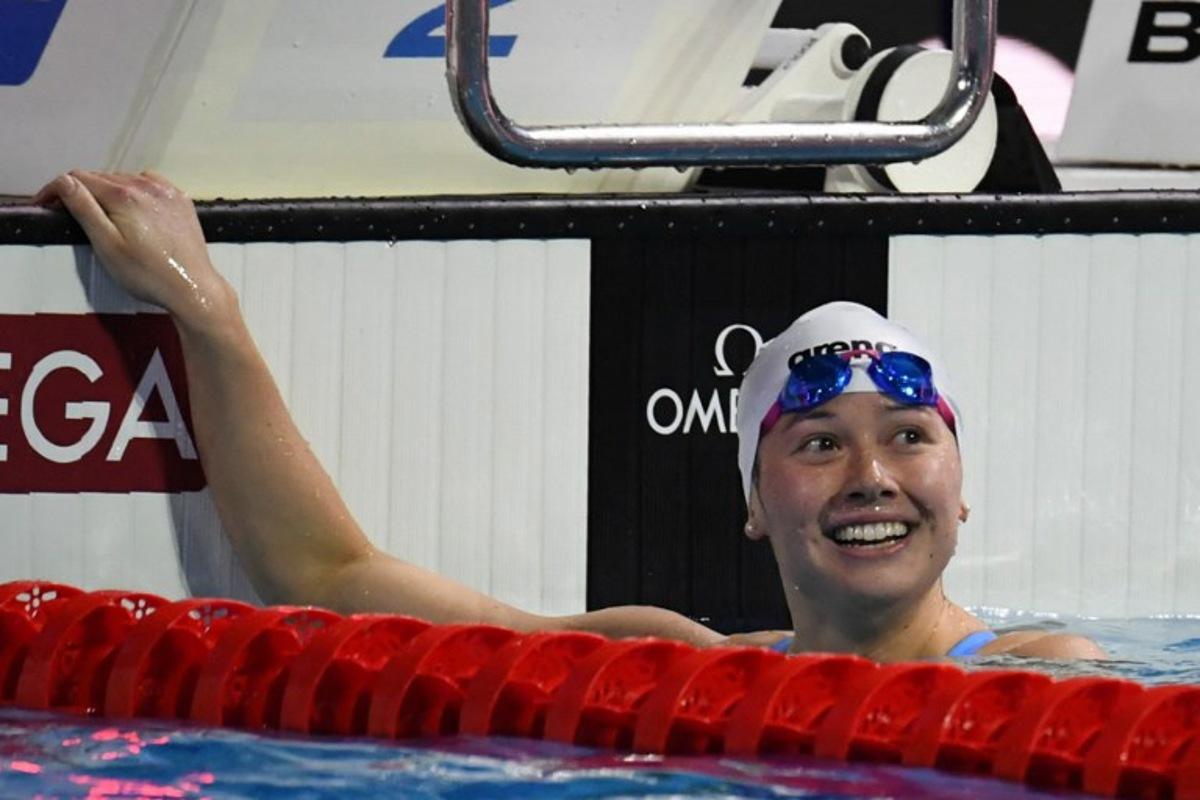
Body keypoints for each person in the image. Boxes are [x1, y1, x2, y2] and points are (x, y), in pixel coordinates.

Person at [32, 170, 1106, 661]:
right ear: (751, 501)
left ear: (961, 491)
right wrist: (207, 311)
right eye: (819, 442)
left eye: (910, 434)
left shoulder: (1046, 673)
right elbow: (329, 577)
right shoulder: (674, 661)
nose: (871, 471)